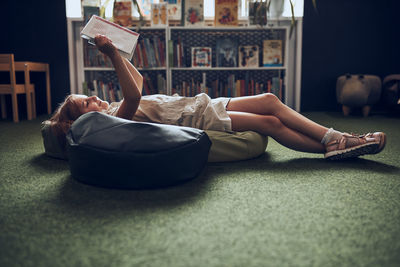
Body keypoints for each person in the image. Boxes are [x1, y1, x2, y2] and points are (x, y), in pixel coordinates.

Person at [49, 35, 386, 160]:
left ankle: (335, 141)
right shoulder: (109, 122)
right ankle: (337, 142)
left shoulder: (108, 108)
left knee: (269, 99)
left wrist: (119, 49)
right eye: (85, 103)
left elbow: (137, 79)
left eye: (88, 96)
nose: (93, 98)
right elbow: (134, 95)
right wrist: (110, 56)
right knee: (268, 122)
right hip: (197, 119)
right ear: (84, 119)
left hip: (200, 104)